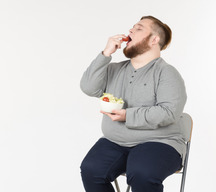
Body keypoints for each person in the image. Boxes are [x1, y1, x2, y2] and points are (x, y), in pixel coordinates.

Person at [80, 15, 187, 192]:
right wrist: (106, 53)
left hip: (159, 141)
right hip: (115, 141)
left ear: (154, 39)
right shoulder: (114, 69)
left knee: (142, 174)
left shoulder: (167, 73)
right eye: (132, 28)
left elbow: (169, 112)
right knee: (91, 170)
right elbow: (88, 87)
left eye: (138, 28)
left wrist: (127, 115)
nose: (130, 31)